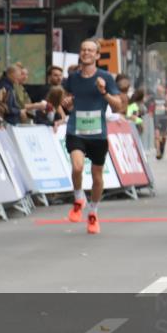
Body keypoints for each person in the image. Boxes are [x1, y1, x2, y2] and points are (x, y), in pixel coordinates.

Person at [63, 39, 122, 235]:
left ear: (97, 56)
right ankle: (79, 197)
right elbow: (66, 102)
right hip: (76, 129)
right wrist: (67, 104)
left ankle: (93, 211)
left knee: (97, 176)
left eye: (90, 50)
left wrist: (104, 92)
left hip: (98, 133)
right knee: (77, 166)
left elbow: (118, 106)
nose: (86, 52)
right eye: (83, 49)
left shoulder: (106, 77)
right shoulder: (72, 78)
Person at [153, 82, 167, 160]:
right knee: (157, 136)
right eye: (158, 90)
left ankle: (162, 148)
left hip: (165, 118)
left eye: (161, 89)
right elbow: (150, 106)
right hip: (157, 118)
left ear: (163, 90)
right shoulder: (154, 98)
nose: (159, 91)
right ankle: (158, 152)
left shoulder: (166, 98)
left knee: (164, 137)